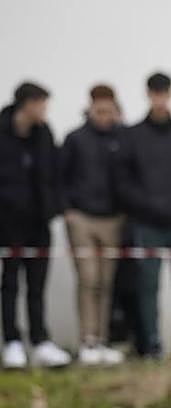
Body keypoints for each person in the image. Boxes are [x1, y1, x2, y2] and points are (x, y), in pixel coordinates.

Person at [116, 71, 171, 360]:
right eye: (155, 93)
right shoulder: (133, 136)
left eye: (164, 93)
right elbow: (124, 181)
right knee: (147, 284)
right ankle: (152, 342)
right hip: (147, 224)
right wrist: (147, 207)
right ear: (148, 95)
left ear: (170, 94)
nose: (160, 99)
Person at [0, 81, 69, 369]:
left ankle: (40, 340)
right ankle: (12, 341)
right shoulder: (3, 133)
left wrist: (54, 207)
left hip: (39, 223)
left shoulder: (44, 134)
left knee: (37, 285)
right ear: (26, 104)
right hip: (8, 223)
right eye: (41, 104)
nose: (44, 110)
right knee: (10, 283)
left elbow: (54, 173)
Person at [61, 84, 126, 366]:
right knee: (88, 279)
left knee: (106, 282)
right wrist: (68, 210)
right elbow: (61, 175)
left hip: (112, 219)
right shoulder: (75, 139)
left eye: (108, 111)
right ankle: (87, 339)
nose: (104, 116)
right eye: (99, 111)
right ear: (90, 108)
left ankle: (101, 339)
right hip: (82, 219)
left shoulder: (121, 139)